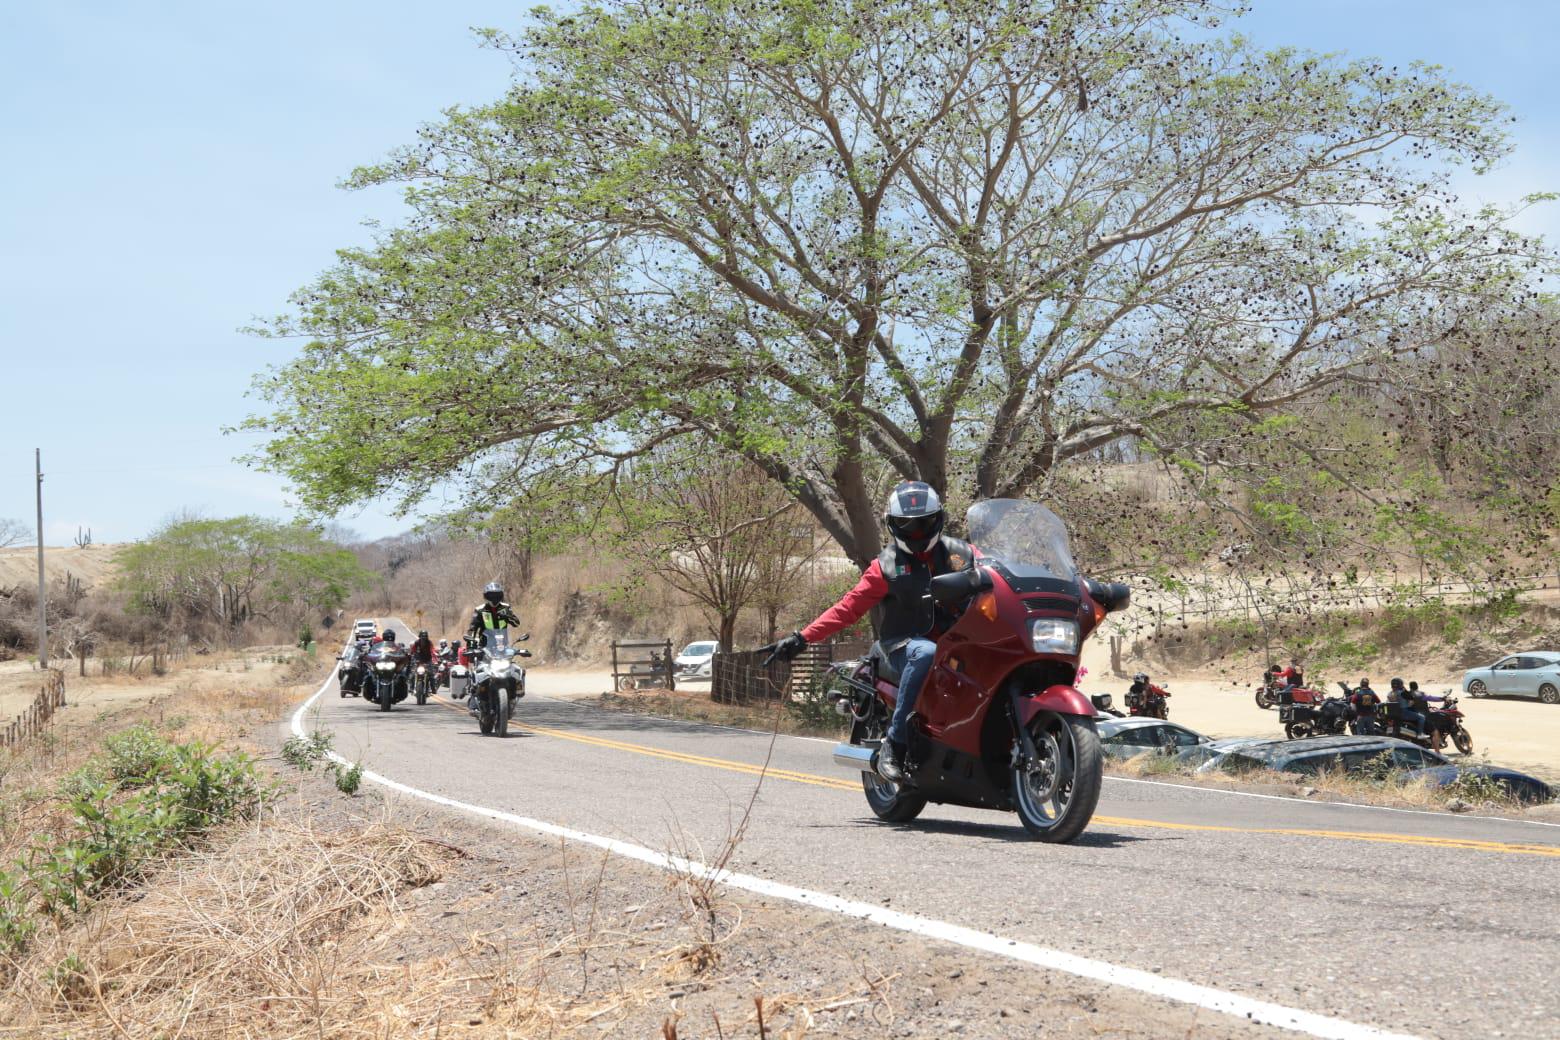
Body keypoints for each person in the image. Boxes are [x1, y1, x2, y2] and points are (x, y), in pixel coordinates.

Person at [768, 481, 975, 783]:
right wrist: (803, 637)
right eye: (907, 525)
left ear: (938, 519)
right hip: (905, 644)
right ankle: (896, 742)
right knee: (925, 652)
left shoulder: (964, 553)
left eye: (924, 524)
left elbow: (1000, 575)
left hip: (957, 642)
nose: (917, 533)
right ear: (893, 525)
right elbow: (847, 608)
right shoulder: (885, 567)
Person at [467, 582, 522, 647]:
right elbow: (473, 629)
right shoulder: (480, 610)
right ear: (486, 596)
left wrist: (507, 616)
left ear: (501, 596)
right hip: (485, 648)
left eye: (497, 596)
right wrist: (470, 645)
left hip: (503, 647)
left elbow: (516, 623)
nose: (494, 598)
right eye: (491, 596)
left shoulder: (505, 607)